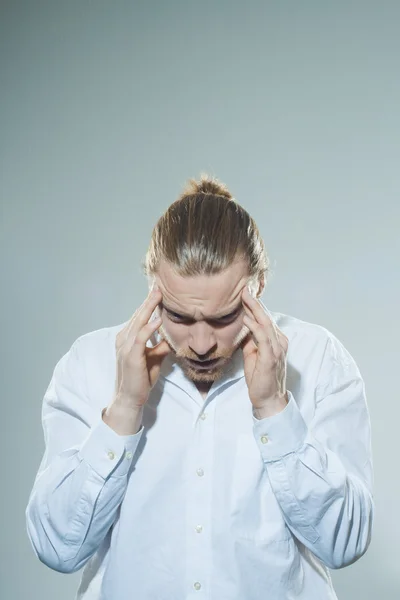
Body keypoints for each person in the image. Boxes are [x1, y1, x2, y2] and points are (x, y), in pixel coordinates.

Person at [26, 174, 374, 600]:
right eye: (180, 317)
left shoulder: (319, 359)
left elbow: (346, 543)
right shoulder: (89, 363)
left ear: (257, 286)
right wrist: (123, 410)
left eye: (224, 318)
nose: (203, 343)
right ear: (154, 288)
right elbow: (56, 548)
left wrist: (274, 408)